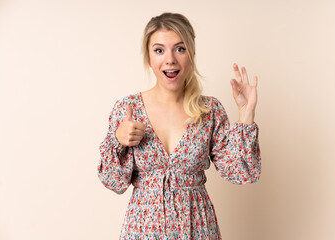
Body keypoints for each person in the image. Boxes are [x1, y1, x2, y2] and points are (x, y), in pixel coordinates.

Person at [97, 12, 261, 239]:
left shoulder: (209, 111)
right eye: (159, 50)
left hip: (197, 228)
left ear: (191, 54)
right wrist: (118, 140)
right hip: (143, 230)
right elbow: (113, 182)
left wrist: (246, 113)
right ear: (149, 57)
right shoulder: (128, 109)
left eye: (180, 49)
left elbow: (242, 173)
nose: (170, 59)